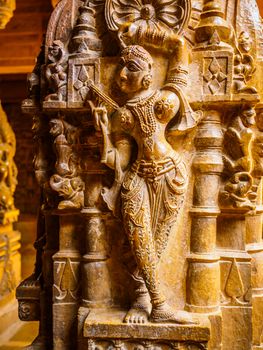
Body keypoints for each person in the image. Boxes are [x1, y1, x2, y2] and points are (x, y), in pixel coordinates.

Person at [92, 30, 199, 324]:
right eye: (121, 68)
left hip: (171, 175)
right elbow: (117, 160)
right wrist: (103, 129)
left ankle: (142, 297)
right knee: (139, 239)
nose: (123, 75)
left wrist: (143, 33)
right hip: (137, 178)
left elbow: (179, 47)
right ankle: (159, 304)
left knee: (158, 242)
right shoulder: (121, 116)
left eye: (133, 67)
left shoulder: (164, 100)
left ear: (150, 72)